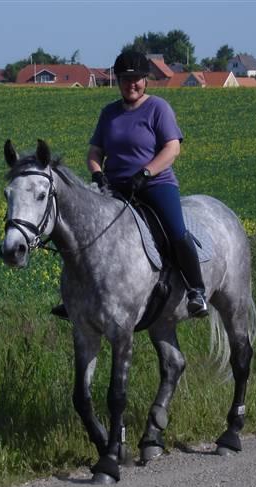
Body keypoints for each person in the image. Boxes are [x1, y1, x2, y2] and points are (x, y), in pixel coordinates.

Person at [53, 50, 208, 319]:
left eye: (136, 78)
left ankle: (196, 291)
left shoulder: (158, 108)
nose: (131, 84)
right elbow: (94, 152)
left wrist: (146, 174)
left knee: (175, 231)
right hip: (114, 188)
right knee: (84, 233)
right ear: (118, 81)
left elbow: (172, 149)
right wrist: (97, 173)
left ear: (145, 80)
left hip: (155, 184)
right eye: (125, 79)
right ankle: (76, 298)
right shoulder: (109, 113)